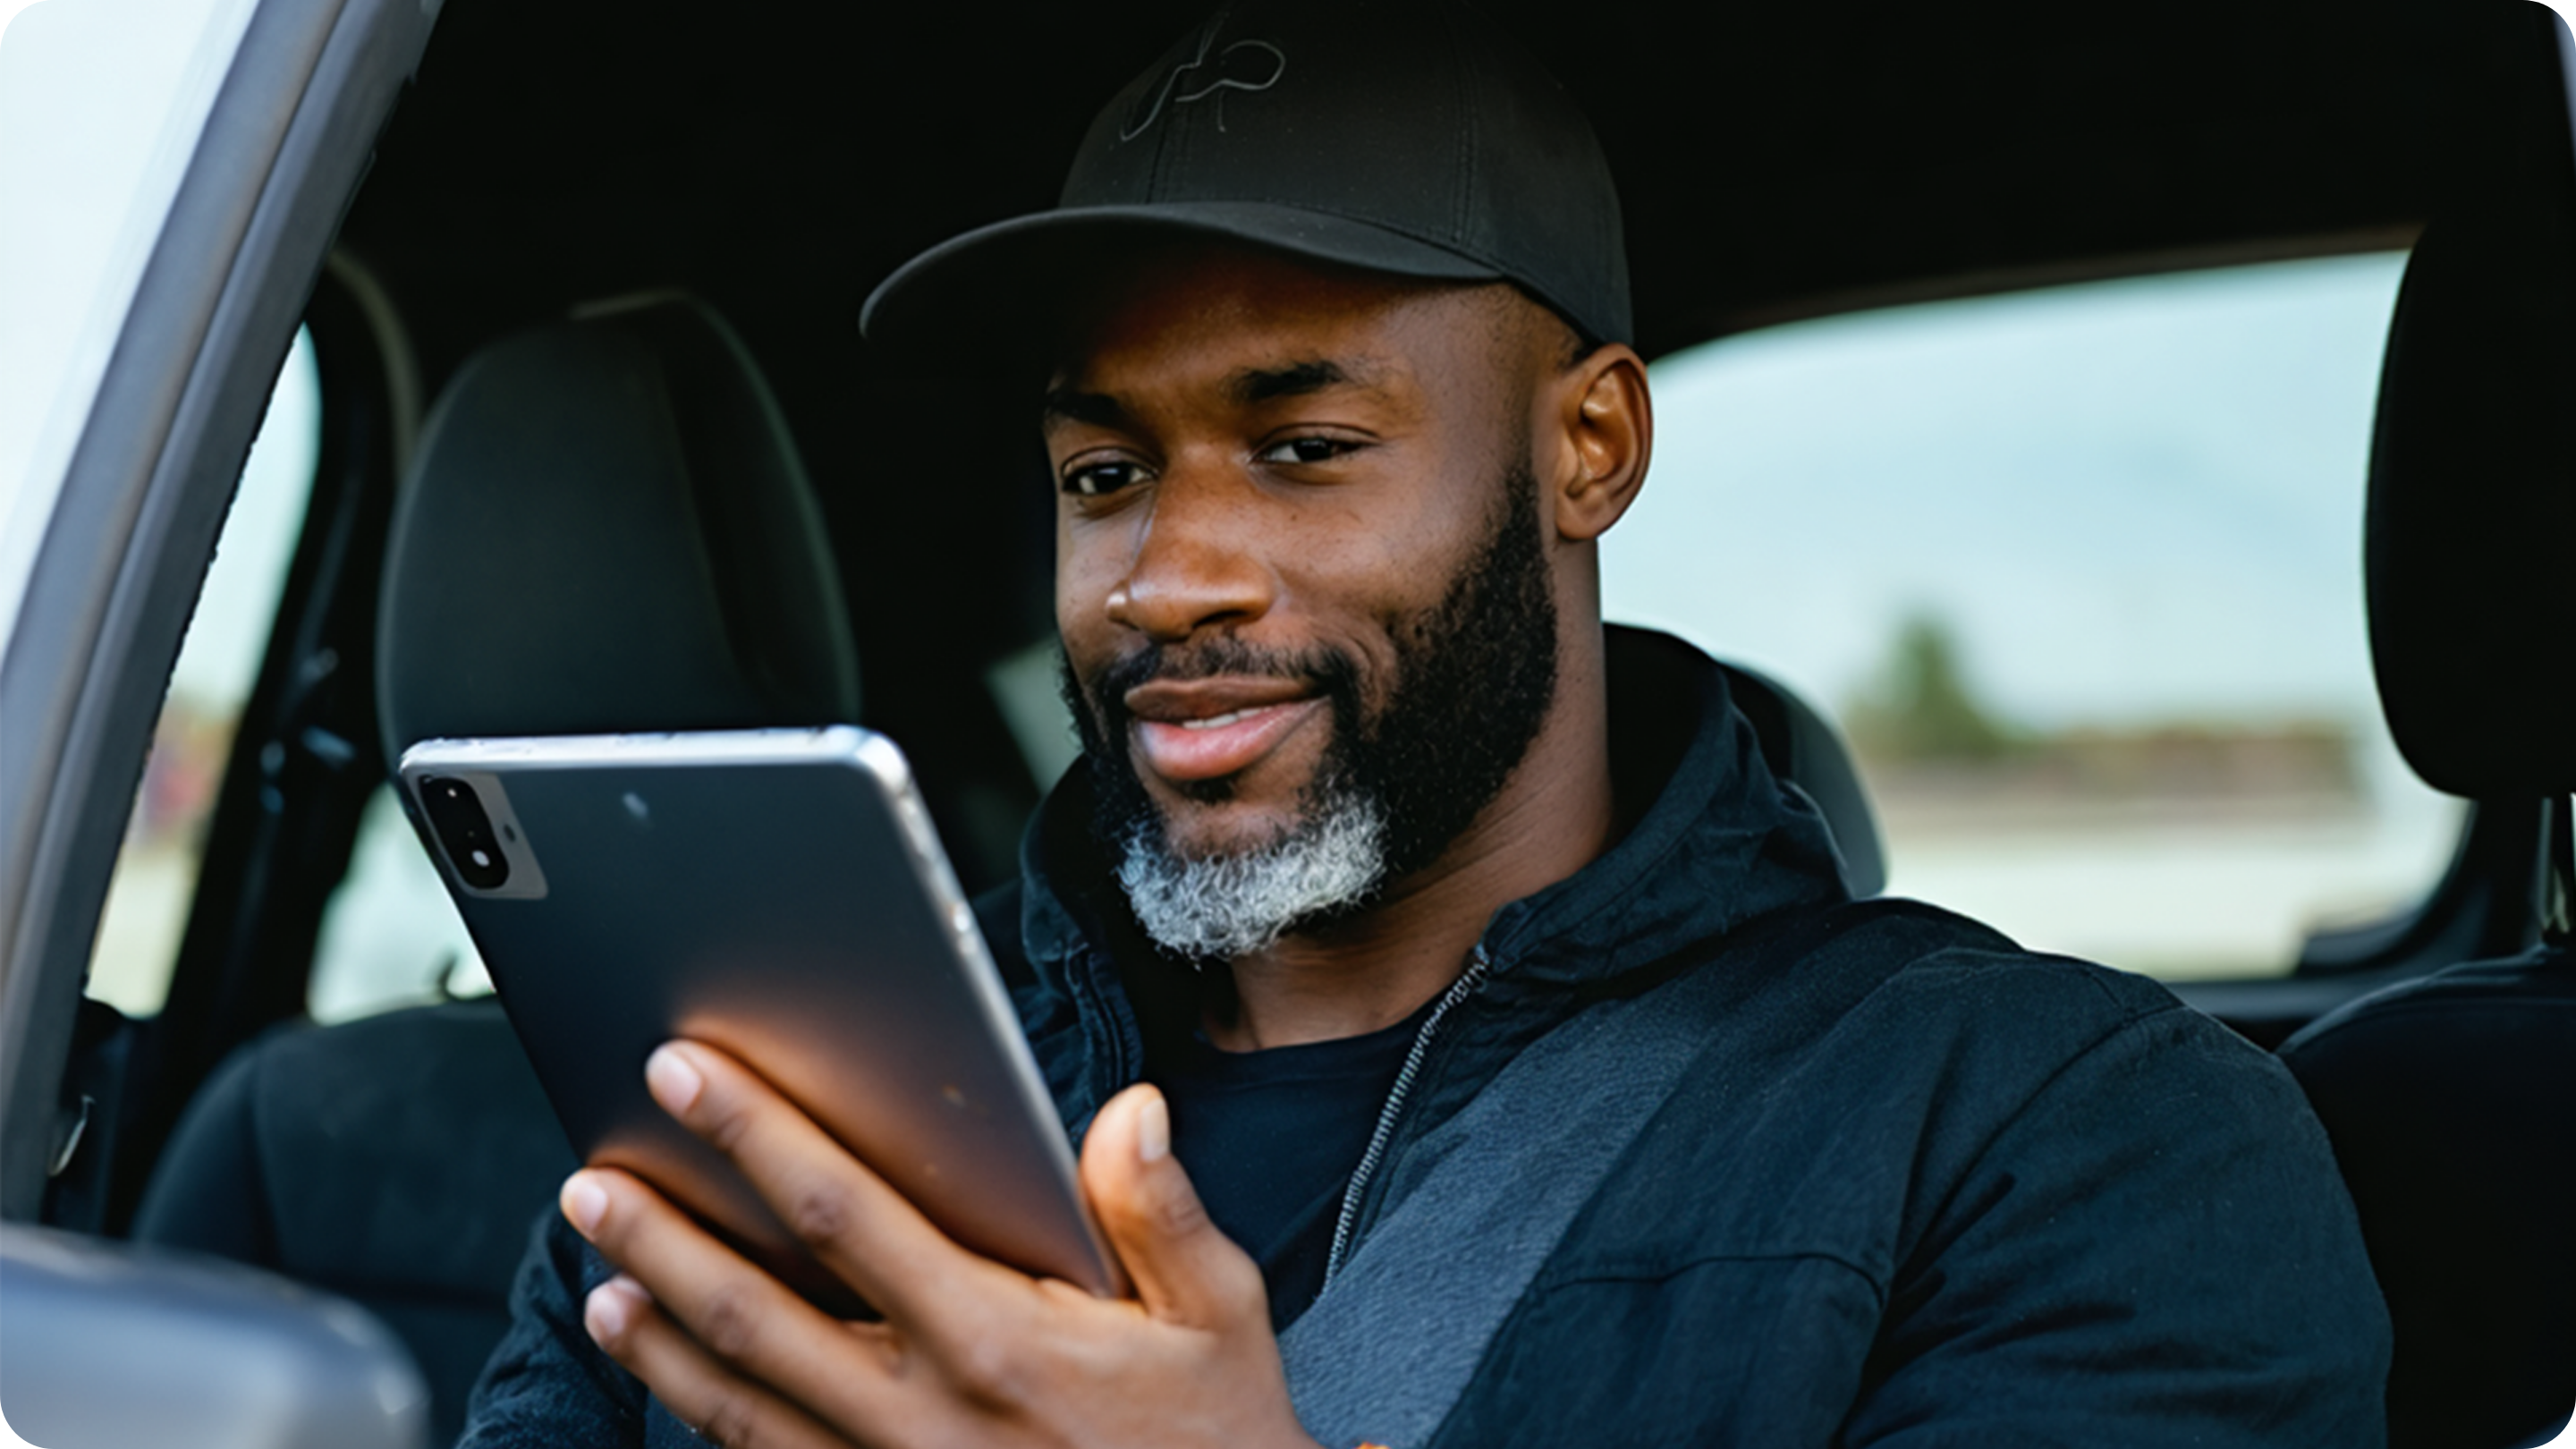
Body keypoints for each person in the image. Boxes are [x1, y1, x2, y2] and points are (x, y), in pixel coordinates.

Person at [460, 3, 2391, 1445]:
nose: (1167, 577)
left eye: (1303, 450)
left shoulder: (2068, 1137)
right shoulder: (805, 1109)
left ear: (1591, 448)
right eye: (1105, 473)